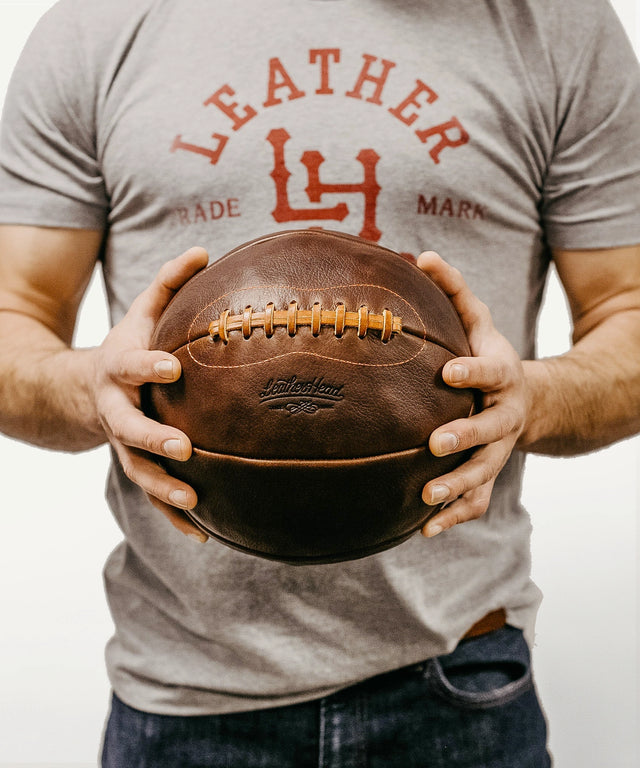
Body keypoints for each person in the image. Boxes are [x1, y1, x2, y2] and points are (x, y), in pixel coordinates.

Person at [0, 0, 639, 765]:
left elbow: (626, 312)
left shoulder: (557, 24)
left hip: (457, 679)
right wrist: (93, 388)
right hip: (179, 690)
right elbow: (15, 313)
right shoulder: (98, 24)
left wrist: (528, 401)